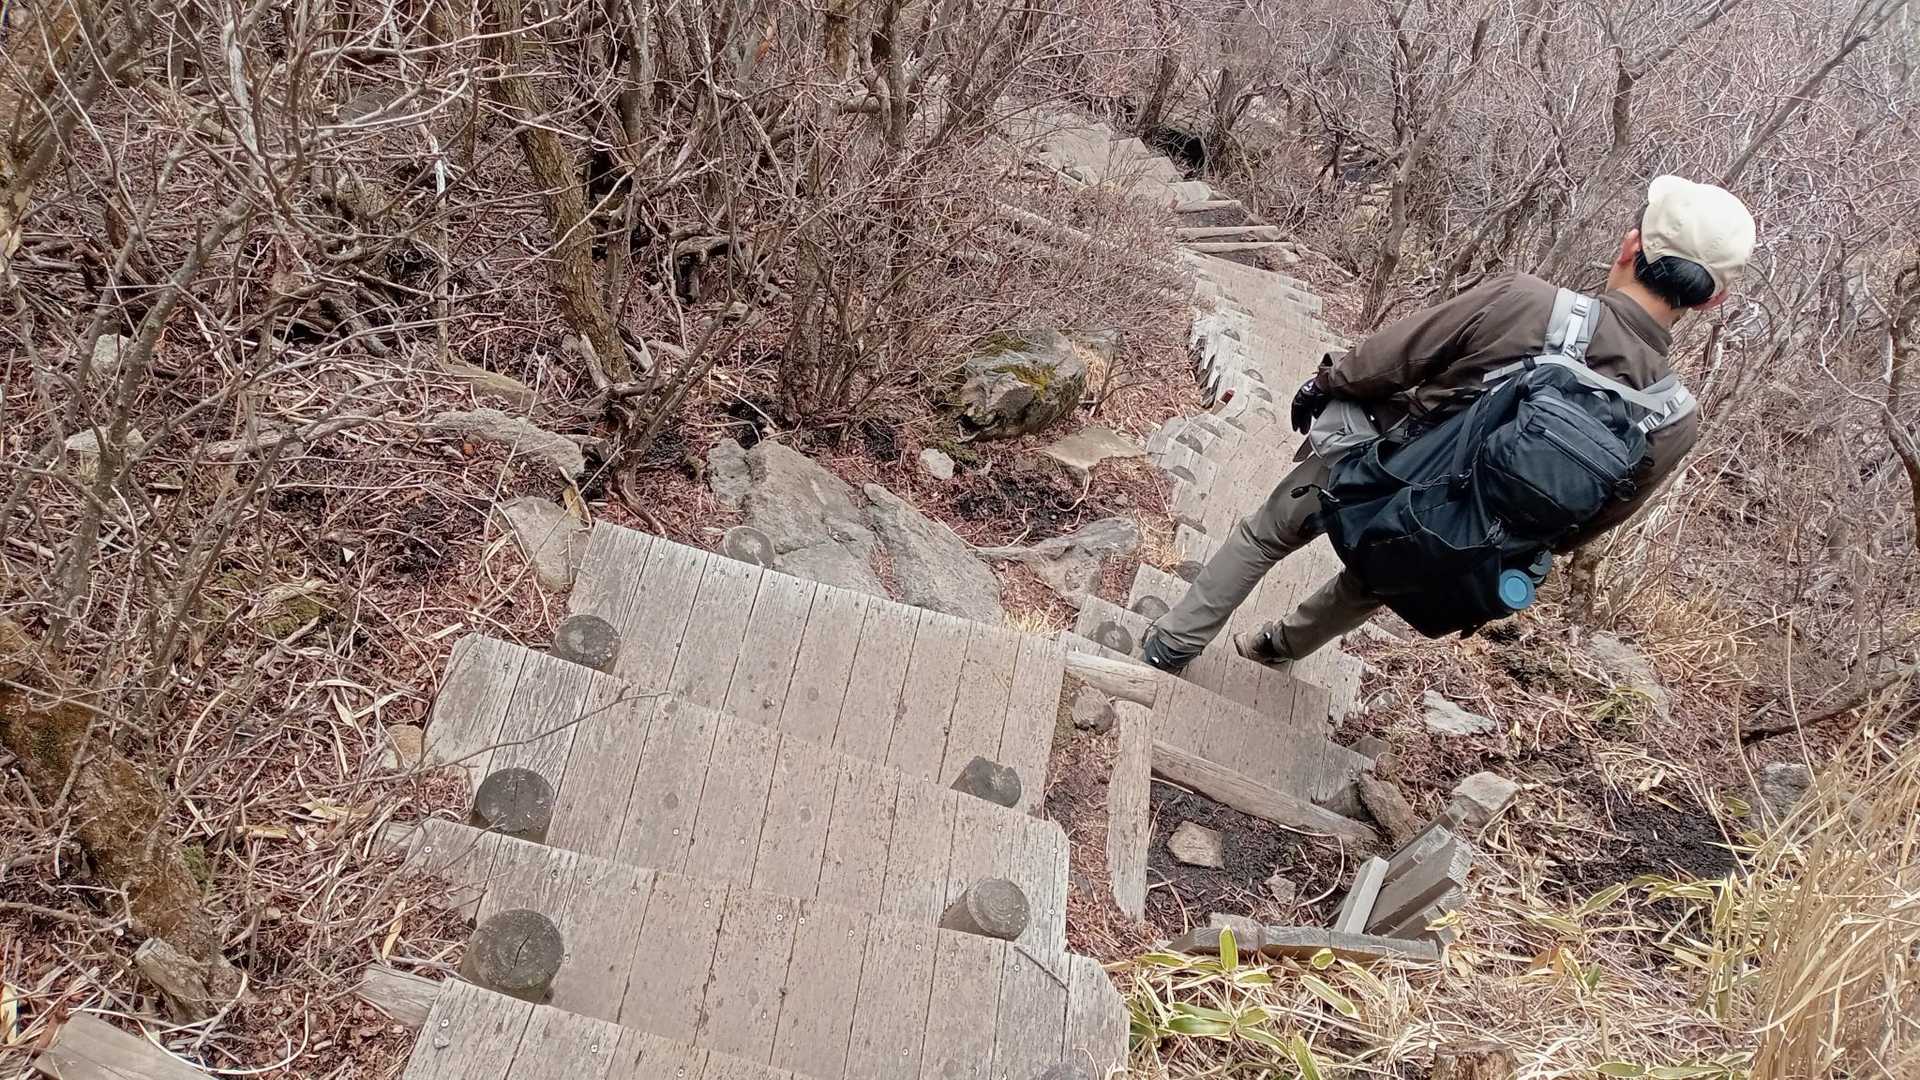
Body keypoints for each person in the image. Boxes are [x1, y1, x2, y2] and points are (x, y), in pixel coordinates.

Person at [1141, 175, 1756, 674]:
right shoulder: (1673, 417)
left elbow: (1395, 357)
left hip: (1377, 464)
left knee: (1266, 534)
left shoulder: (1530, 302)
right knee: (1373, 579)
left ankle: (1172, 645)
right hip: (1458, 530)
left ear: (1630, 246)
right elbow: (1584, 524)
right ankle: (1277, 648)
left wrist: (1326, 383)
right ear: (1712, 300)